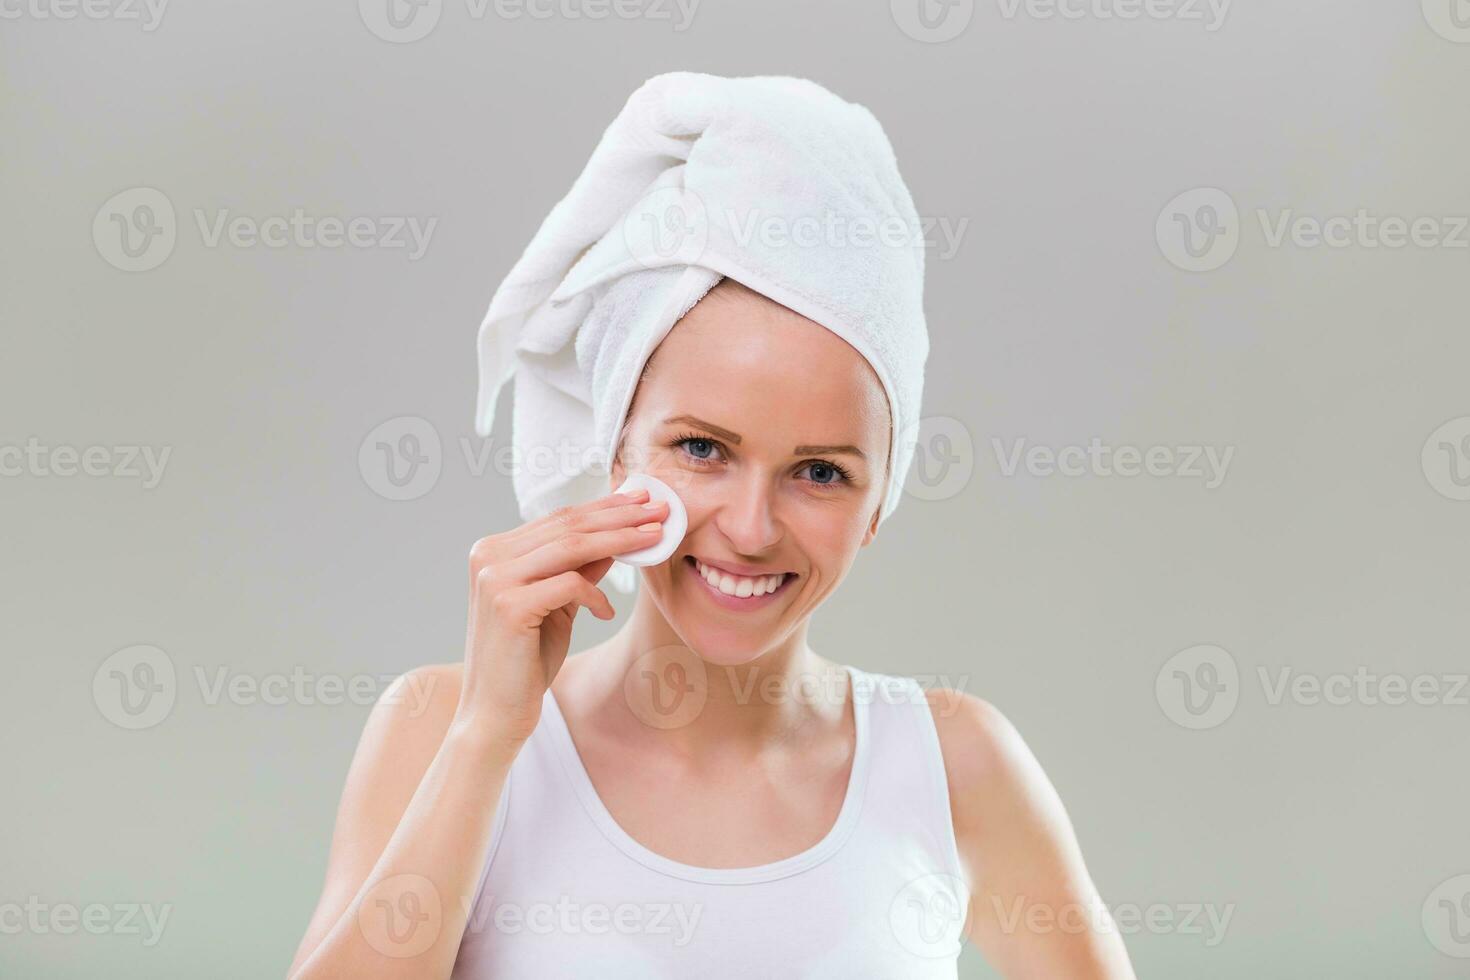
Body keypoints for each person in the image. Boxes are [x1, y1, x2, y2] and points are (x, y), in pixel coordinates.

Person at [288, 72, 1136, 979]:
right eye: (701, 449)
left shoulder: (955, 762)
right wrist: (488, 735)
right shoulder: (440, 729)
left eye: (821, 473)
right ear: (616, 447)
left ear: (881, 501)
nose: (750, 525)